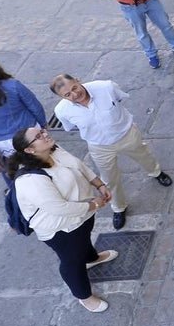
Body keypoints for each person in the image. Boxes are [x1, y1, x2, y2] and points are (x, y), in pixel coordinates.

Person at [8, 126, 117, 313]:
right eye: (38, 136)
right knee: (71, 261)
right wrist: (95, 205)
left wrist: (99, 184)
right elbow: (59, 208)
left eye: (42, 131)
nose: (45, 135)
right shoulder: (30, 180)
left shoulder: (53, 149)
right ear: (29, 150)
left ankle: (91, 258)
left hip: (82, 213)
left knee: (83, 238)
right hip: (60, 228)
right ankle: (84, 296)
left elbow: (79, 166)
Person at [50, 74, 174, 230]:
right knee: (109, 179)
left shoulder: (106, 87)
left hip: (126, 134)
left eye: (74, 88)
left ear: (77, 80)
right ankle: (119, 208)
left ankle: (156, 172)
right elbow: (69, 126)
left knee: (144, 156)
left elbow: (120, 99)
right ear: (61, 97)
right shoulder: (62, 110)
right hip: (99, 146)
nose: (74, 95)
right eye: (67, 95)